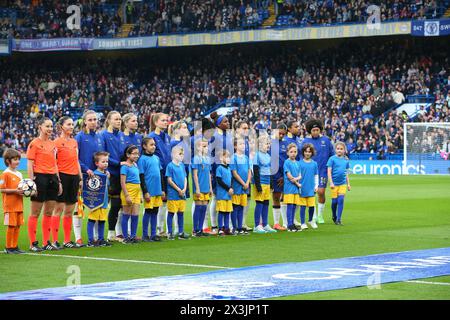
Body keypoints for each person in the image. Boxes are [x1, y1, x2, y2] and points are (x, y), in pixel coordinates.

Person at [26, 116, 62, 251]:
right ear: (40, 127)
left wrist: (59, 181)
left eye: (51, 126)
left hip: (52, 178)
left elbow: (55, 163)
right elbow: (30, 163)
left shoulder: (53, 144)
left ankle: (46, 242)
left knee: (48, 212)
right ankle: (33, 243)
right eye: (47, 126)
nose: (50, 129)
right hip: (39, 178)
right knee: (35, 212)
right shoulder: (34, 143)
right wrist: (31, 182)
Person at [53, 116, 83, 249]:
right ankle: (54, 241)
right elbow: (53, 162)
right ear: (61, 126)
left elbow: (76, 160)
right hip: (62, 177)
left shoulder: (74, 142)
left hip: (74, 177)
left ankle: (67, 240)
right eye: (68, 124)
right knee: (58, 209)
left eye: (72, 124)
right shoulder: (56, 143)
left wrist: (80, 177)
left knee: (70, 210)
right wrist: (58, 180)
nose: (71, 126)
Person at [75, 110, 104, 246]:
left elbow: (102, 157)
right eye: (90, 120)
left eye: (95, 119)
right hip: (83, 176)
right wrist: (86, 169)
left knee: (96, 206)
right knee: (80, 208)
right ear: (85, 121)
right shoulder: (80, 137)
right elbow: (76, 158)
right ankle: (78, 237)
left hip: (97, 178)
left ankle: (97, 238)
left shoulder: (99, 137)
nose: (93, 122)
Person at [301, 118, 334, 224]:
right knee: (311, 194)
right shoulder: (305, 141)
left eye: (317, 130)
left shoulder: (326, 140)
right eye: (313, 130)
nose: (315, 132)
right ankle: (314, 215)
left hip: (323, 170)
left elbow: (332, 155)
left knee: (321, 192)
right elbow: (301, 156)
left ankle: (320, 215)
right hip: (309, 172)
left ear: (320, 130)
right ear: (310, 131)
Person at [100, 111, 126, 242]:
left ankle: (116, 232)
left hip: (120, 174)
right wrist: (118, 163)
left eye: (120, 119)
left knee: (118, 205)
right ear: (109, 120)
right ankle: (101, 234)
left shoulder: (121, 135)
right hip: (108, 174)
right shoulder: (103, 135)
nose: (119, 121)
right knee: (103, 205)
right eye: (116, 119)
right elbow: (102, 155)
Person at [208, 112, 233, 234]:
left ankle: (226, 225)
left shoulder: (228, 135)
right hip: (217, 169)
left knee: (226, 197)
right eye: (225, 122)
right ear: (218, 124)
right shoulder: (214, 135)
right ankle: (214, 225)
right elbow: (210, 153)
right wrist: (212, 170)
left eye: (228, 121)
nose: (228, 123)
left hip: (226, 168)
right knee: (216, 197)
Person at [149, 113, 171, 237]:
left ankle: (161, 228)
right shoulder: (151, 137)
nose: (165, 122)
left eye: (166, 120)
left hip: (167, 172)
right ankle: (156, 228)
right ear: (156, 122)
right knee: (158, 199)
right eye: (163, 120)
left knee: (166, 200)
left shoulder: (167, 137)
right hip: (158, 172)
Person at [138, 137, 164, 242]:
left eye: (154, 144)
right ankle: (145, 234)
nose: (154, 146)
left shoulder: (156, 158)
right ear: (144, 146)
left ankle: (153, 234)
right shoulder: (142, 159)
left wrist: (162, 189)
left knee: (155, 211)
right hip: (150, 191)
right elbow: (141, 176)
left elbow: (160, 174)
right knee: (148, 211)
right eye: (151, 145)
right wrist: (145, 192)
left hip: (157, 190)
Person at [0, 148, 25, 254]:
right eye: (15, 159)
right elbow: (1, 189)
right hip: (10, 205)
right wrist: (15, 191)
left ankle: (14, 246)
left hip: (19, 204)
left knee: (18, 225)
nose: (17, 161)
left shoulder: (19, 174)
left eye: (18, 159)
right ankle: (8, 247)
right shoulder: (5, 174)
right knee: (11, 226)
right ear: (7, 161)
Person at [86, 151, 111, 247]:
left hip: (104, 202)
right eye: (103, 162)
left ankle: (101, 239)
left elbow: (106, 187)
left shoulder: (106, 174)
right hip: (95, 203)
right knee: (92, 220)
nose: (105, 164)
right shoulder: (94, 174)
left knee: (102, 221)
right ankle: (90, 240)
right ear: (97, 163)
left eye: (107, 162)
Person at [252, 135, 276, 234]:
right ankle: (257, 225)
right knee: (259, 203)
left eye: (269, 143)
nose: (268, 145)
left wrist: (271, 185)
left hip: (267, 183)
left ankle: (265, 224)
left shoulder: (268, 156)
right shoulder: (257, 155)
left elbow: (270, 171)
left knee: (266, 203)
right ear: (260, 145)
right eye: (267, 143)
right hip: (260, 183)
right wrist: (258, 186)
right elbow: (256, 171)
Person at [165, 146, 189, 240]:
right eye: (180, 154)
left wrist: (184, 189)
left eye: (183, 154)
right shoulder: (170, 166)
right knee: (171, 213)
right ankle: (170, 232)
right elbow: (169, 180)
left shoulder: (182, 165)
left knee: (181, 213)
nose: (182, 156)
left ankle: (180, 232)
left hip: (182, 194)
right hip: (173, 194)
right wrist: (178, 189)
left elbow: (185, 178)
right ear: (173, 154)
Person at [120, 145, 142, 244]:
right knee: (126, 213)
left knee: (135, 214)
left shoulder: (135, 165)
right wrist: (127, 195)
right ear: (128, 155)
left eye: (138, 153)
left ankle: (133, 235)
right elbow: (122, 182)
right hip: (129, 190)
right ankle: (125, 237)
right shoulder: (124, 166)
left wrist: (140, 193)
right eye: (134, 154)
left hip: (137, 191)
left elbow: (138, 180)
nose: (137, 156)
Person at [230, 136, 252, 235]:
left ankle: (240, 227)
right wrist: (243, 183)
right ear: (235, 146)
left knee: (242, 207)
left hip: (245, 187)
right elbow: (234, 173)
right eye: (240, 144)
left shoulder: (246, 158)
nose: (243, 146)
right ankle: (234, 227)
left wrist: (247, 182)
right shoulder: (233, 157)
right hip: (237, 186)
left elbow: (249, 171)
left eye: (244, 144)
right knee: (235, 207)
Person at [191, 138, 212, 237]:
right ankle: (195, 229)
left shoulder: (207, 159)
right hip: (199, 187)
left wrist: (210, 187)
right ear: (198, 147)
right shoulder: (196, 159)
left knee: (204, 208)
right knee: (198, 207)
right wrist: (197, 188)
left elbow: (208, 174)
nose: (206, 148)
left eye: (207, 146)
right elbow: (195, 175)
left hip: (206, 187)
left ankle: (201, 228)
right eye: (204, 146)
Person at [327, 142, 351, 225]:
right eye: (338, 149)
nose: (339, 150)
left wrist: (348, 184)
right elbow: (329, 171)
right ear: (335, 150)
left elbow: (346, 172)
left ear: (344, 150)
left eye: (341, 149)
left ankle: (339, 219)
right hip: (334, 184)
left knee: (341, 200)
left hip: (342, 184)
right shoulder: (332, 159)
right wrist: (331, 183)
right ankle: (334, 215)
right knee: (334, 202)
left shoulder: (346, 160)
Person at [271, 123, 288, 231]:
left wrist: (284, 176)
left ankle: (283, 222)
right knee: (272, 198)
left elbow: (287, 160)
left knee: (282, 198)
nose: (281, 135)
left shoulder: (286, 144)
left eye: (283, 134)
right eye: (279, 133)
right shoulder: (269, 143)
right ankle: (274, 223)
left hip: (282, 176)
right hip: (271, 175)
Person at [298, 143, 319, 230]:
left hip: (311, 188)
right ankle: (303, 222)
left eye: (309, 152)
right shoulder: (299, 163)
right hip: (302, 187)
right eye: (306, 151)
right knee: (302, 206)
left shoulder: (314, 164)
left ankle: (310, 220)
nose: (307, 153)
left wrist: (316, 185)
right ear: (303, 152)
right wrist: (298, 185)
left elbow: (316, 175)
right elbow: (298, 175)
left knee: (311, 206)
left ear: (312, 153)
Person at [283, 143, 302, 232]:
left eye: (295, 152)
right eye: (291, 152)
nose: (293, 153)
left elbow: (300, 176)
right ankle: (289, 224)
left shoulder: (298, 163)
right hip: (289, 188)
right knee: (290, 206)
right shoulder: (287, 162)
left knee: (294, 206)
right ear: (287, 153)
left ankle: (292, 223)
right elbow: (289, 176)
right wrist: (297, 183)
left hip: (295, 189)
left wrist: (296, 179)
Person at [215, 150, 234, 236]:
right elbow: (219, 181)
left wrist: (231, 188)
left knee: (227, 211)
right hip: (222, 194)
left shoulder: (229, 168)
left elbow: (231, 180)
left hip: (228, 195)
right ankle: (220, 228)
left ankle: (226, 228)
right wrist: (228, 188)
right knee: (222, 212)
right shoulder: (219, 168)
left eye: (229, 157)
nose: (228, 159)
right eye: (226, 157)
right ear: (221, 158)